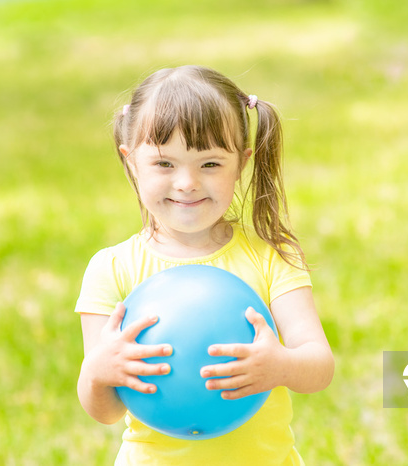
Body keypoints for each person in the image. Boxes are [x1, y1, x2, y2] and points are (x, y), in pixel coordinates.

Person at [75, 65, 334, 465]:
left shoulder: (270, 257)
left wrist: (280, 365)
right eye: (165, 164)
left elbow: (319, 367)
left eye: (210, 164)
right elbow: (105, 411)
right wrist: (100, 371)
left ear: (241, 163)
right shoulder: (112, 268)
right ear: (131, 162)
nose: (187, 183)